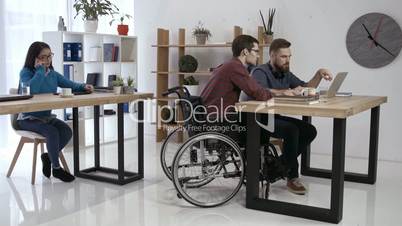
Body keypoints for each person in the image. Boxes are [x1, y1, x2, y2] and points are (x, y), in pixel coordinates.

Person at [248, 38, 333, 195]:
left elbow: (306, 87)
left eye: (289, 56)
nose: (287, 60)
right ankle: (292, 176)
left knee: (309, 130)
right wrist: (283, 92)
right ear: (272, 55)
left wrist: (319, 74)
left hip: (274, 117)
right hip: (258, 118)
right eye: (283, 57)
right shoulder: (259, 71)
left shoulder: (285, 72)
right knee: (291, 130)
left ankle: (277, 167)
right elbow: (258, 91)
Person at [17, 41, 93, 182]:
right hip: (28, 119)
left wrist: (83, 86)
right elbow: (31, 90)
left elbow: (70, 84)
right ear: (34, 58)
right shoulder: (26, 73)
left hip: (46, 117)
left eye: (49, 56)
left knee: (66, 131)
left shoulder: (53, 74)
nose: (47, 60)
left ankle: (48, 156)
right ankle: (57, 169)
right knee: (52, 132)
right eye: (43, 57)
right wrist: (39, 71)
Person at [200, 34, 272, 144]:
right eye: (256, 51)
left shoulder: (229, 65)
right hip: (220, 119)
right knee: (260, 126)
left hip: (212, 115)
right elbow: (257, 93)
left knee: (258, 120)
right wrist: (273, 94)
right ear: (245, 52)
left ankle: (258, 157)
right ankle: (255, 158)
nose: (258, 56)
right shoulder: (235, 67)